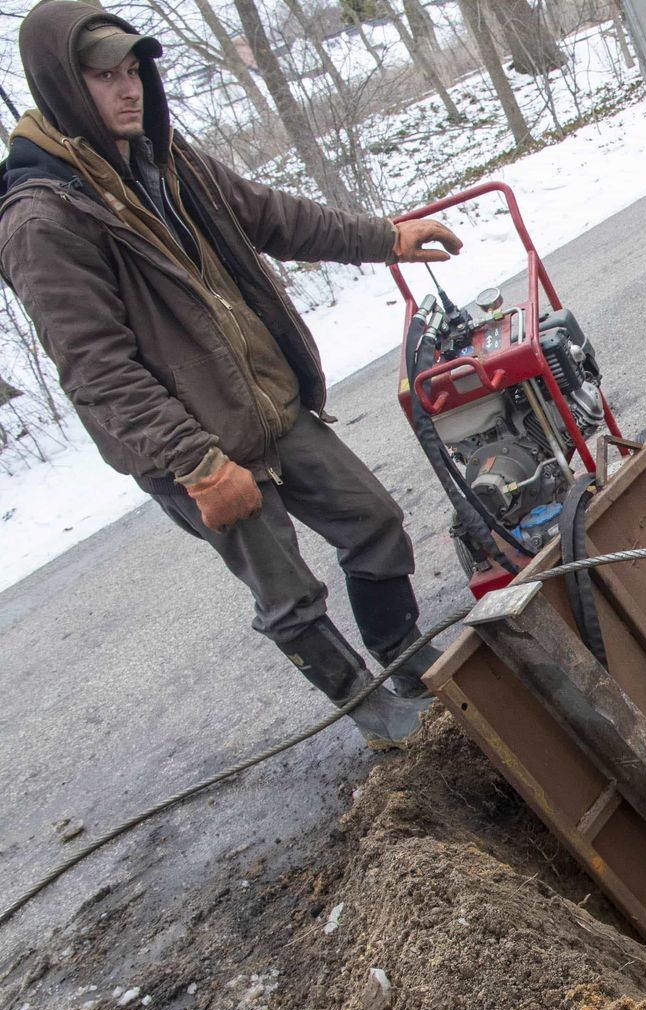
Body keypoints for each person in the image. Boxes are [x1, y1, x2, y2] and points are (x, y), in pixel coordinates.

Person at [0, 0, 466, 747]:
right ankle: (375, 715)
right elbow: (96, 370)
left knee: (372, 519)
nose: (129, 92)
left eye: (134, 74)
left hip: (267, 406)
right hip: (197, 448)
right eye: (105, 78)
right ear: (61, 85)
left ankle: (405, 658)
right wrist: (196, 463)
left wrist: (387, 237)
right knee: (289, 595)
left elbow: (275, 217)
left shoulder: (163, 158)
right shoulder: (44, 219)